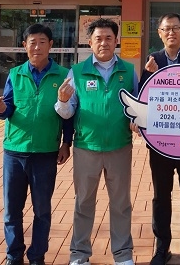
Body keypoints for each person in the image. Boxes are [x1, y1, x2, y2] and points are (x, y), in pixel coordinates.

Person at [55, 17, 138, 265]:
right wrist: (61, 100)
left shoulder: (129, 71)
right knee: (83, 203)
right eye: (98, 39)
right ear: (89, 42)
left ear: (116, 42)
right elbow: (67, 112)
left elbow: (136, 108)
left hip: (119, 147)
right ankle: (79, 255)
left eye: (109, 38)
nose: (104, 43)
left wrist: (137, 123)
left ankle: (123, 255)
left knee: (121, 204)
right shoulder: (77, 72)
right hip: (86, 148)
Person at [0, 24, 73, 265]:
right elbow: (7, 108)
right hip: (14, 152)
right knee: (11, 211)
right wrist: (1, 110)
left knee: (42, 211)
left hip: (46, 153)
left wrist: (66, 143)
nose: (37, 47)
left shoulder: (64, 75)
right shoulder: (15, 75)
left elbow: (68, 113)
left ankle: (37, 256)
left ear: (51, 46)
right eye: (32, 42)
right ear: (24, 46)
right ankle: (13, 255)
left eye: (42, 42)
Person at [138, 13, 180, 265]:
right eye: (166, 29)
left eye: (175, 28)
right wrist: (149, 76)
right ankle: (161, 247)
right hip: (160, 142)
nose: (171, 33)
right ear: (159, 33)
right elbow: (144, 98)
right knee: (161, 196)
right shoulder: (152, 60)